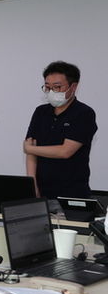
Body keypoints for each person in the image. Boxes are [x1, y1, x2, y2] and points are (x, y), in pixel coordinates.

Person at [24, 61, 97, 199]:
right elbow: (31, 154)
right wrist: (33, 186)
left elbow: (65, 151)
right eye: (47, 87)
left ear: (73, 87)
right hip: (42, 191)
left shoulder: (84, 113)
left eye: (57, 87)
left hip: (72, 193)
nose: (52, 92)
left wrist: (30, 149)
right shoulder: (40, 112)